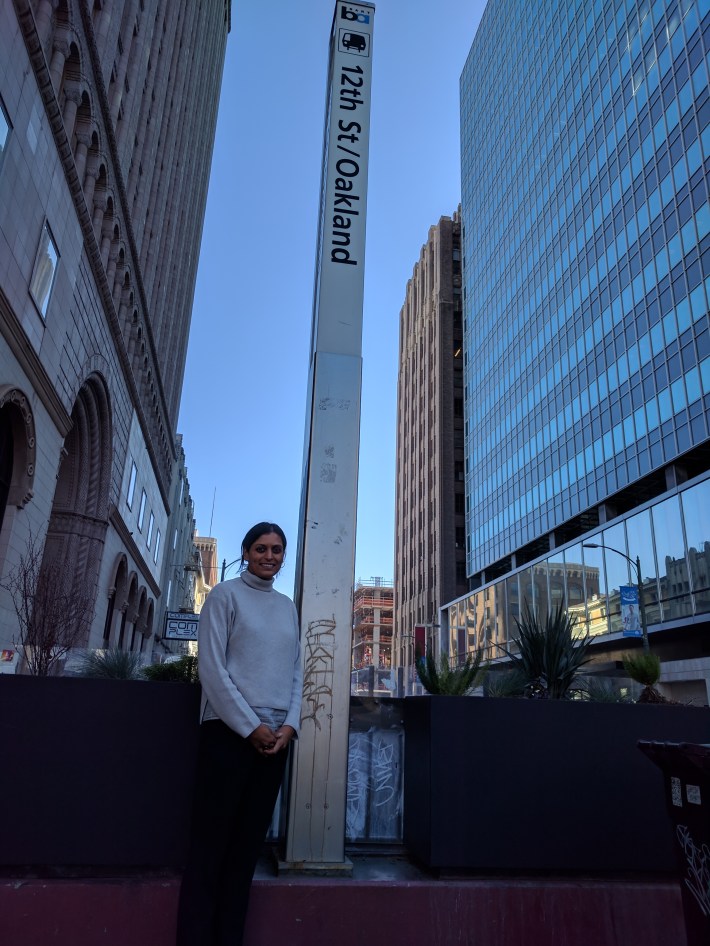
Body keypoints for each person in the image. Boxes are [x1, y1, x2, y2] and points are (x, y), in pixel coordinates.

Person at [176, 522, 303, 946]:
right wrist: (251, 727)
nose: (270, 557)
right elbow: (211, 669)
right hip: (228, 736)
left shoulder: (287, 607)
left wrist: (289, 726)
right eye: (262, 548)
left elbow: (297, 674)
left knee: (245, 852)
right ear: (245, 551)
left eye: (278, 550)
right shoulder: (224, 596)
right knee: (210, 851)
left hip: (274, 744)